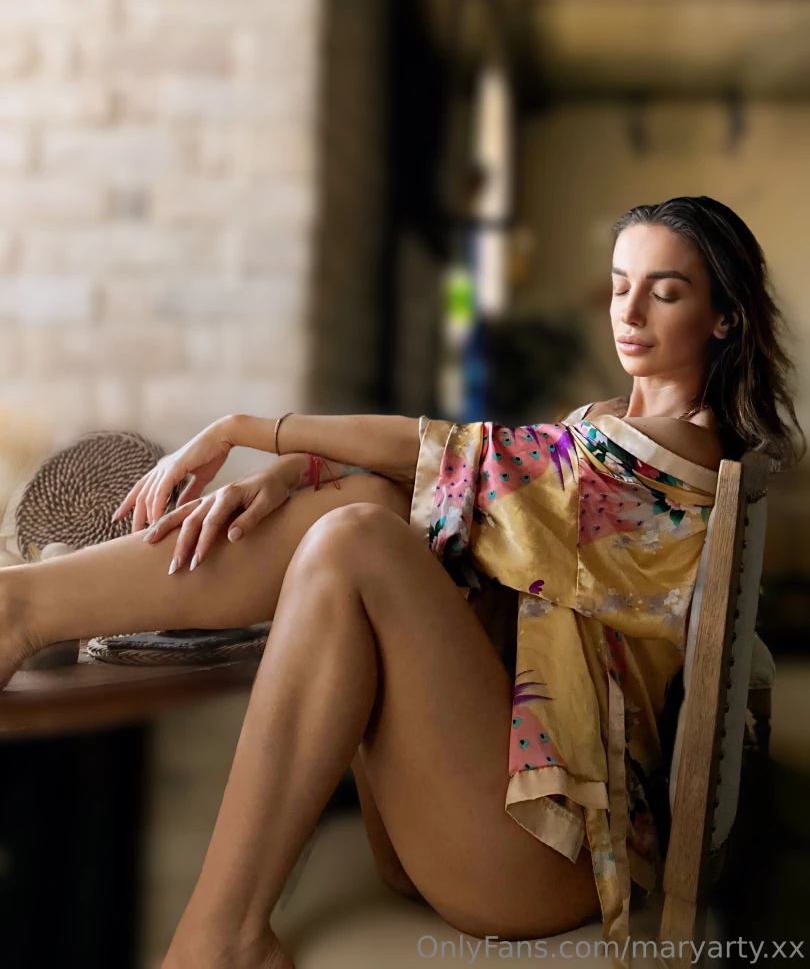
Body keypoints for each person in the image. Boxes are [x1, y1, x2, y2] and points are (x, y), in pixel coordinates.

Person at [0, 196, 803, 969]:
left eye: (666, 293)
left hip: (550, 857)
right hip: (470, 809)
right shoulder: (602, 428)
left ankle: (216, 938)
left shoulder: (671, 461)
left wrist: (247, 432)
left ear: (724, 318)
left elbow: (467, 458)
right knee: (372, 507)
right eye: (622, 286)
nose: (630, 312)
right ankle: (30, 605)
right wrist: (293, 471)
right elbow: (463, 492)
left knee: (359, 537)